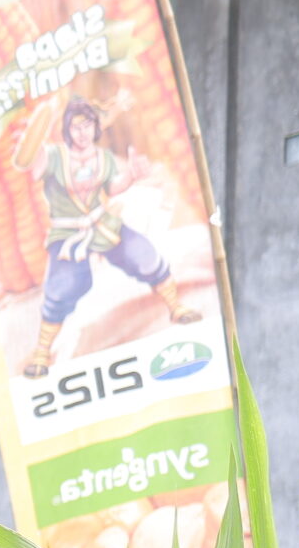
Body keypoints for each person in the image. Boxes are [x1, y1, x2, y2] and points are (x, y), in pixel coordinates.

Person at [21, 96, 200, 378]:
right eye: (76, 127)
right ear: (67, 130)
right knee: (63, 286)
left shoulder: (102, 158)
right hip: (68, 233)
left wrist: (131, 175)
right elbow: (28, 162)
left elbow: (112, 187)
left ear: (95, 127)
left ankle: (175, 307)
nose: (82, 133)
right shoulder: (55, 156)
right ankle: (42, 354)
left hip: (101, 223)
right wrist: (39, 126)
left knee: (143, 254)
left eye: (87, 125)